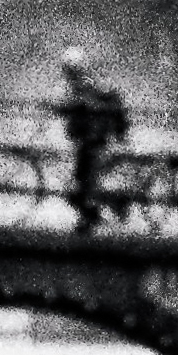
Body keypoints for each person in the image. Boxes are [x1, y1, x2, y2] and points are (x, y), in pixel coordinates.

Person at [54, 45, 129, 227]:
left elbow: (84, 104)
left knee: (80, 187)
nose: (67, 73)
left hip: (93, 142)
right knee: (82, 185)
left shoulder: (86, 85)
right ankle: (96, 215)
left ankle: (98, 214)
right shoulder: (83, 85)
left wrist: (65, 107)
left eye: (69, 69)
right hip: (88, 141)